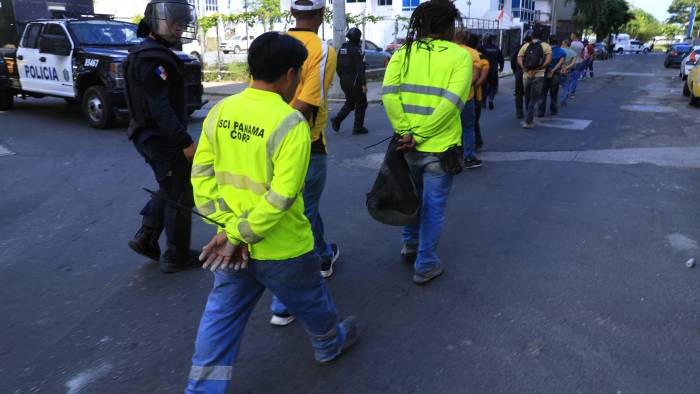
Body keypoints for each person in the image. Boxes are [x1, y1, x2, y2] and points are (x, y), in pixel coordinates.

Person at [185, 33, 359, 393]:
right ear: (291, 74)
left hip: (233, 246)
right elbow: (281, 197)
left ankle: (201, 390)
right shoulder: (290, 122)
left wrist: (227, 229)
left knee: (220, 319)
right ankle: (330, 345)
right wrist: (237, 235)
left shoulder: (221, 111)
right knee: (314, 304)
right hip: (282, 249)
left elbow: (201, 178)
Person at [382, 0, 470, 285]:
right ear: (448, 25)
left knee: (410, 196)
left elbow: (389, 95)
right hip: (440, 149)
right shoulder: (459, 56)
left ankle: (410, 245)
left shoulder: (402, 54)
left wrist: (406, 132)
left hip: (406, 146)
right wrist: (420, 135)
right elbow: (452, 104)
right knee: (433, 208)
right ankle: (426, 263)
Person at [269, 0, 340, 327]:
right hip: (305, 146)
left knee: (304, 209)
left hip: (267, 143)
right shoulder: (321, 49)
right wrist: (285, 139)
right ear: (323, 14)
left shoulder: (273, 43)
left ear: (292, 12)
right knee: (300, 217)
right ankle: (283, 303)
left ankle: (325, 256)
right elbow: (306, 106)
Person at [124, 0, 200, 273]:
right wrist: (185, 142)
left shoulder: (151, 52)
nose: (179, 28)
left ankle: (146, 237)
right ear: (155, 22)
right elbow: (160, 107)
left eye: (182, 22)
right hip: (160, 138)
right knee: (179, 194)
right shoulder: (152, 57)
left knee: (171, 185)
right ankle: (175, 256)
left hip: (151, 135)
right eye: (174, 22)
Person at [455, 30, 486, 169]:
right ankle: (468, 157)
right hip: (467, 97)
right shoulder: (473, 53)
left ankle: (452, 157)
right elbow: (475, 75)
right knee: (468, 127)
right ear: (466, 39)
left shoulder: (446, 51)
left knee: (450, 128)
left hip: (447, 98)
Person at [331, 27, 368, 134]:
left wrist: (343, 78)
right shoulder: (356, 50)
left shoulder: (343, 49)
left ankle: (336, 120)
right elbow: (360, 69)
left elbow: (337, 67)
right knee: (361, 103)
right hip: (355, 81)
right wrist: (364, 84)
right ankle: (358, 128)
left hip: (344, 81)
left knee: (351, 102)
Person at [517, 29, 552, 129]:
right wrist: (540, 68)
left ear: (532, 36)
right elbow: (548, 59)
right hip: (539, 75)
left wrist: (524, 68)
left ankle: (528, 119)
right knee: (533, 98)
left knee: (527, 98)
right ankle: (528, 121)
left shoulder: (526, 45)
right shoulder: (546, 46)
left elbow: (519, 58)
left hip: (526, 75)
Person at [538, 37, 566, 117]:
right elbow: (560, 63)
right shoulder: (562, 51)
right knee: (554, 93)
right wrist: (553, 70)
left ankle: (541, 111)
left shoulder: (545, 51)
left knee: (543, 93)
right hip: (555, 74)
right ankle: (553, 110)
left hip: (544, 73)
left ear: (549, 42)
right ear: (557, 42)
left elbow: (543, 61)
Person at [479, 34, 504, 110]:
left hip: (484, 70)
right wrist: (501, 68)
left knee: (483, 86)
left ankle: (483, 103)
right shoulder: (496, 48)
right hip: (493, 70)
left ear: (485, 40)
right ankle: (490, 99)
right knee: (493, 86)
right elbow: (501, 59)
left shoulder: (481, 48)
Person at [511, 32, 529, 119]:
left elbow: (512, 60)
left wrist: (515, 71)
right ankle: (529, 111)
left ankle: (519, 112)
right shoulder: (538, 48)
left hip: (520, 74)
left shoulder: (519, 48)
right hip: (531, 74)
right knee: (529, 94)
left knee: (518, 94)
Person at [558, 39, 577, 108]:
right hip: (567, 71)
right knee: (565, 86)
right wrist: (566, 68)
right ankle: (563, 100)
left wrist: (561, 68)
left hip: (558, 70)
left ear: (564, 44)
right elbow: (573, 63)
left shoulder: (560, 50)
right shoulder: (573, 53)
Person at [568, 32, 584, 99]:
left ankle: (567, 91)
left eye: (571, 35)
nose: (571, 36)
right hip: (579, 62)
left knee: (569, 78)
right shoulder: (581, 44)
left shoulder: (571, 44)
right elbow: (582, 54)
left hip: (571, 62)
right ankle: (572, 94)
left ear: (575, 36)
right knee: (575, 79)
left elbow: (569, 54)